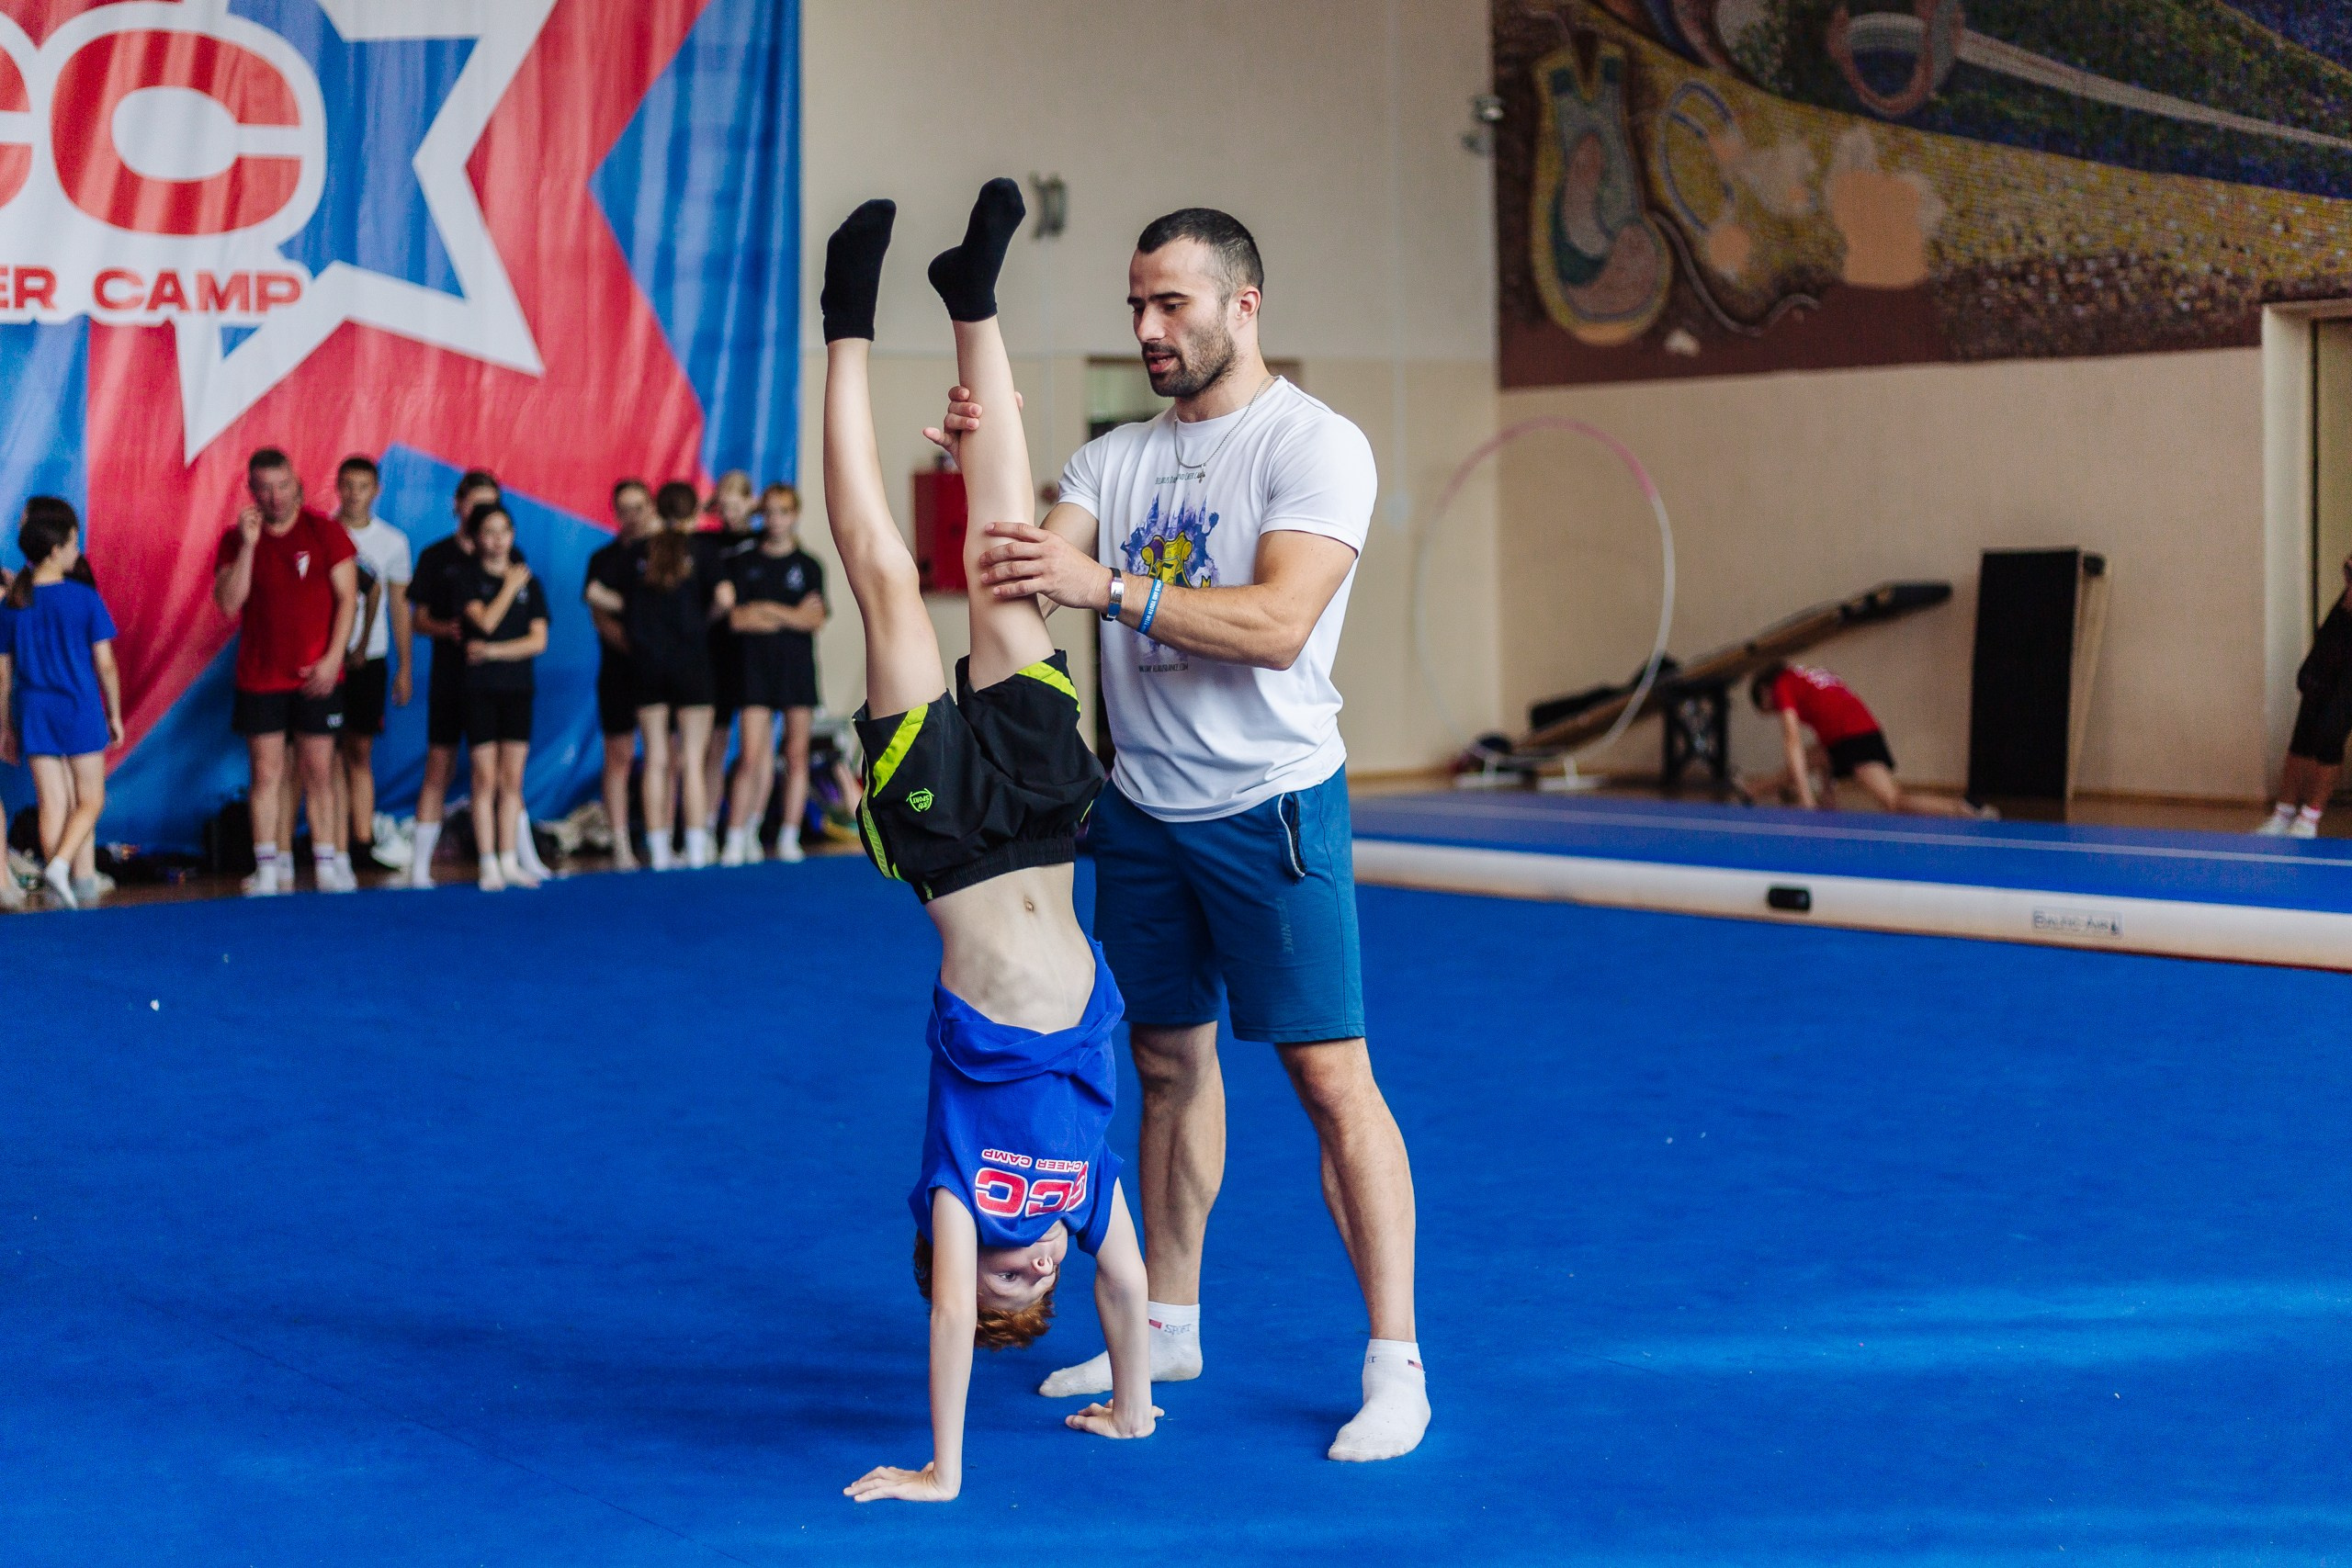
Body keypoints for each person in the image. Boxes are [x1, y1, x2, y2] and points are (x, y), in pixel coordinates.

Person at [944, 209, 1426, 1461]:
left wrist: (1113, 589)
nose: (1150, 329)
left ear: (1243, 303)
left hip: (1272, 807)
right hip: (1145, 814)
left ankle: (1396, 1360)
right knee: (1165, 1066)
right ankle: (1165, 1320)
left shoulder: (1318, 445)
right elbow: (1027, 568)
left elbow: (1275, 620)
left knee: (1330, 1079)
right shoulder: (1114, 462)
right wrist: (983, 469)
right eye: (1136, 308)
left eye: (1173, 305)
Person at [824, 188, 1156, 1507]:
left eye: (1007, 1281)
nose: (1025, 1267)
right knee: (1009, 564)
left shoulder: (959, 1195)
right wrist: (1131, 1401)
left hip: (949, 847)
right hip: (1043, 819)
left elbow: (948, 1320)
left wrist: (942, 1467)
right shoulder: (1084, 1198)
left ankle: (846, 319)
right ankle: (974, 294)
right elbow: (1125, 1280)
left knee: (887, 574)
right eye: (1036, 1282)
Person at [213, 447, 359, 896]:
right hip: (261, 677)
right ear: (252, 491)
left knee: (320, 771)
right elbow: (228, 602)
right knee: (266, 775)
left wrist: (334, 658)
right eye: (265, 488)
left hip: (317, 674)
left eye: (283, 486)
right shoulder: (236, 540)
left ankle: (328, 862)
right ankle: (267, 865)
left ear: (297, 484)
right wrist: (251, 548)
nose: (275, 497)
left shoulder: (325, 531)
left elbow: (348, 599)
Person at [584, 480, 735, 869]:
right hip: (691, 663)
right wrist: (701, 622)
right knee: (693, 759)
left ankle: (660, 849)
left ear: (655, 510)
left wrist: (635, 613)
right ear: (693, 513)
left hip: (648, 665)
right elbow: (725, 599)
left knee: (655, 758)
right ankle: (698, 848)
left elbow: (594, 593)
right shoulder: (702, 549)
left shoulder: (636, 552)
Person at [0, 500, 122, 909]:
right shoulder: (84, 599)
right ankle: (63, 868)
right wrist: (115, 712)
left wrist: (5, 724)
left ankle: (69, 881)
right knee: (91, 800)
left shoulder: (14, 604)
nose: (78, 551)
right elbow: (105, 664)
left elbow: (4, 672)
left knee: (52, 803)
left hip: (33, 711)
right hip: (79, 708)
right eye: (73, 543)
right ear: (54, 550)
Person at [721, 482, 826, 865]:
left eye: (784, 512)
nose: (776, 520)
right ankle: (737, 834)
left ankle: (788, 835)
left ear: (795, 515)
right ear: (761, 515)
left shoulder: (809, 565)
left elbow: (813, 618)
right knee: (751, 756)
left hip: (796, 670)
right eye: (770, 512)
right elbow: (737, 618)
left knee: (796, 754)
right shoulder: (744, 562)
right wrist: (789, 614)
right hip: (755, 670)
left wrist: (767, 609)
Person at [405, 469, 502, 887]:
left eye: (491, 506)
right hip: (449, 678)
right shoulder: (436, 556)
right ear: (457, 506)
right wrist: (449, 629)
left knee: (500, 770)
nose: (482, 514)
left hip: (496, 681)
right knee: (438, 766)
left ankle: (509, 859)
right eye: (475, 504)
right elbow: (418, 619)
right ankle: (418, 866)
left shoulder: (506, 557)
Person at [1744, 660, 1982, 818]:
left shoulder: (1782, 685)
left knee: (1892, 800)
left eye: (1770, 708)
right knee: (1811, 758)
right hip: (1849, 733)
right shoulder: (1802, 678)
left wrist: (1806, 799)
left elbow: (1791, 740)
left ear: (1765, 690)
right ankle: (1752, 791)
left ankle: (1961, 808)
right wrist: (1827, 791)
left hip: (1855, 736)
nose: (1775, 711)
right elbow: (1825, 732)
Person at [458, 503, 548, 890]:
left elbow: (538, 641)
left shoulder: (534, 583)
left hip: (518, 689)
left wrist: (492, 652)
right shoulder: (467, 579)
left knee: (512, 780)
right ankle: (488, 861)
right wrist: (510, 586)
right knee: (484, 778)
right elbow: (486, 621)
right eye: (488, 532)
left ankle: (510, 859)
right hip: (479, 691)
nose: (497, 540)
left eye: (503, 532)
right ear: (477, 538)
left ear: (513, 534)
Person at [329, 454, 413, 874]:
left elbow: (398, 607)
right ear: (337, 487)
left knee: (358, 751)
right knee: (322, 752)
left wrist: (405, 667)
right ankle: (333, 845)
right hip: (326, 659)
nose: (354, 494)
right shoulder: (322, 533)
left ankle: (360, 841)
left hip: (371, 658)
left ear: (376, 490)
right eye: (346, 485)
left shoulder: (392, 542)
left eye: (362, 486)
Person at [587, 479, 659, 868]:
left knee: (665, 756)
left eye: (638, 507)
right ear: (614, 512)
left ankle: (661, 838)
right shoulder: (604, 558)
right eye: (624, 509)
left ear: (650, 508)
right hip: (619, 670)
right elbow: (600, 616)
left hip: (660, 673)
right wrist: (638, 646)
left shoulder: (664, 553)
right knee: (619, 756)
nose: (631, 516)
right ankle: (620, 843)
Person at [2256, 551, 2352, 838]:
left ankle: (2309, 818)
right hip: (2339, 633)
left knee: (2331, 729)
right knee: (2305, 730)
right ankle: (2282, 814)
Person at [701, 470, 760, 839]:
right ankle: (704, 824)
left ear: (751, 503)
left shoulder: (763, 541)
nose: (730, 511)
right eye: (724, 504)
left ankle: (748, 826)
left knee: (756, 749)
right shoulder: (706, 542)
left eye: (737, 503)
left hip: (756, 653)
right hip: (716, 652)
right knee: (715, 742)